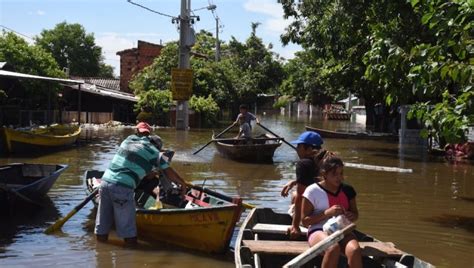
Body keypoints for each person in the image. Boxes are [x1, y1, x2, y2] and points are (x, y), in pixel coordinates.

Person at [94, 122, 188, 245]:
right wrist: (183, 184)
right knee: (130, 235)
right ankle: (130, 256)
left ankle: (99, 253)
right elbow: (169, 172)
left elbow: (143, 159)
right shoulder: (152, 151)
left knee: (102, 226)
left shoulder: (127, 140)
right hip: (122, 187)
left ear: (137, 132)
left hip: (105, 183)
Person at [301, 156, 361, 268]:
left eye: (341, 173)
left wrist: (351, 216)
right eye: (334, 174)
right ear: (324, 174)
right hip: (317, 230)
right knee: (332, 247)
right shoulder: (312, 191)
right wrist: (326, 213)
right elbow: (304, 221)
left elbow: (356, 214)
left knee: (355, 250)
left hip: (342, 230)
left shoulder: (348, 190)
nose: (339, 178)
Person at [281, 131, 324, 239]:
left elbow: (301, 197)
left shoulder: (303, 164)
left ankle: (297, 222)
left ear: (309, 150)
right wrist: (295, 181)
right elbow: (318, 180)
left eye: (299, 146)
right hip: (329, 213)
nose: (297, 149)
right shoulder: (327, 161)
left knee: (295, 195)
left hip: (312, 218)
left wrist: (295, 226)